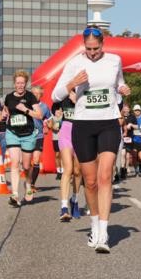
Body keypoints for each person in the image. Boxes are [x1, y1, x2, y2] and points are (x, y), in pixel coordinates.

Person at [52, 25, 130, 253]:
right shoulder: (75, 63)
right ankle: (94, 225)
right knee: (91, 181)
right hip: (83, 124)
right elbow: (55, 95)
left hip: (108, 122)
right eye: (88, 49)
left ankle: (104, 233)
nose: (93, 53)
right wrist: (72, 82)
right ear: (83, 46)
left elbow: (119, 84)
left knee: (105, 176)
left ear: (102, 44)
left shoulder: (114, 60)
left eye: (96, 49)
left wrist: (124, 89)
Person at [2, 71, 43, 207]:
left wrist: (25, 109)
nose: (20, 85)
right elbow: (6, 111)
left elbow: (39, 115)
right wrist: (4, 113)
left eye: (23, 83)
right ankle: (14, 194)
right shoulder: (8, 97)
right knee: (14, 163)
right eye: (18, 83)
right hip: (12, 132)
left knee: (26, 166)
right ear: (14, 83)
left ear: (26, 84)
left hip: (28, 135)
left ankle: (28, 185)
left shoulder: (30, 97)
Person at [53, 92, 83, 222]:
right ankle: (64, 207)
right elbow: (54, 101)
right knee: (68, 169)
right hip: (66, 132)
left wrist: (78, 102)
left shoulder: (84, 93)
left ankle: (74, 200)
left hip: (81, 132)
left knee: (78, 171)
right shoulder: (63, 94)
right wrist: (56, 113)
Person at [29, 85, 53, 195]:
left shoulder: (44, 107)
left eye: (38, 94)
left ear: (41, 95)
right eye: (34, 93)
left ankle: (32, 184)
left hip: (38, 136)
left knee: (36, 160)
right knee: (26, 162)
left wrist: (48, 125)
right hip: (26, 136)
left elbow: (50, 120)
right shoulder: (25, 105)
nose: (36, 95)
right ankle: (28, 181)